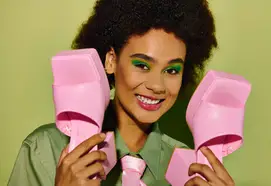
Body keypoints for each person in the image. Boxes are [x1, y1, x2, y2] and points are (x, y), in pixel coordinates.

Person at [8, 0, 236, 185]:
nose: (157, 85)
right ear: (111, 61)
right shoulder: (45, 150)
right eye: (142, 65)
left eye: (172, 70)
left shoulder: (193, 172)